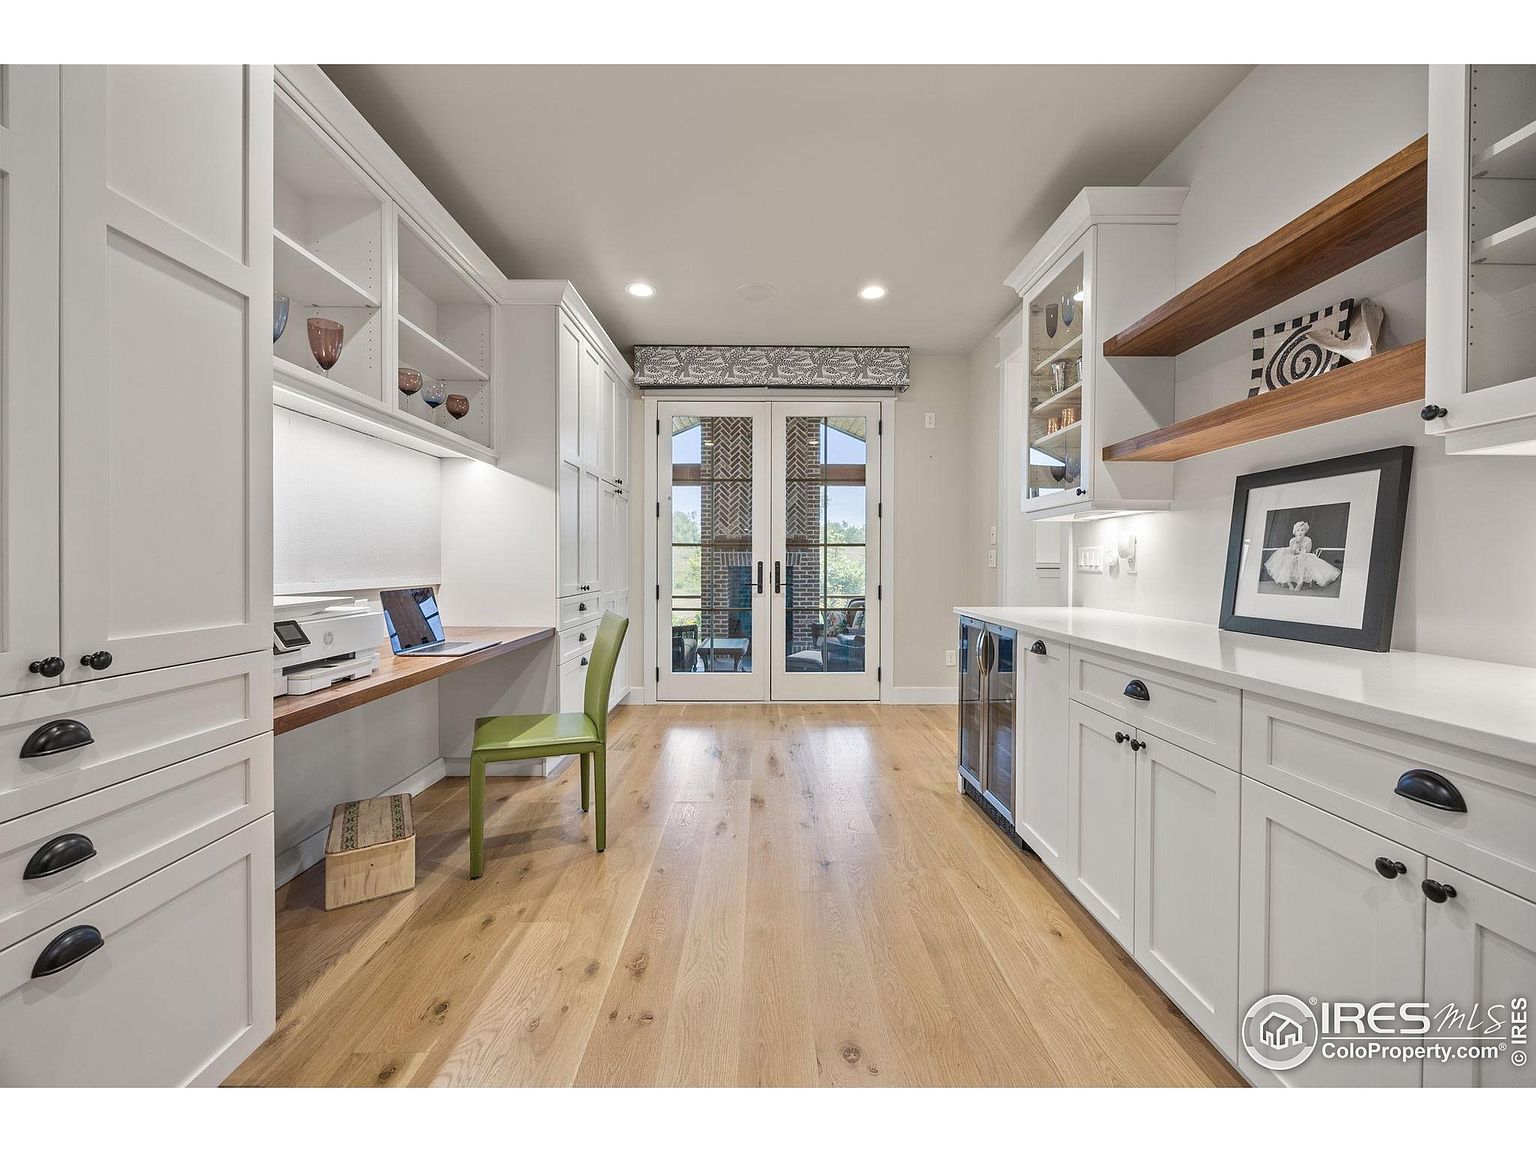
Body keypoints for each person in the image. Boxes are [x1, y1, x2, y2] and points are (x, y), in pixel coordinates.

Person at [1264, 520, 1341, 591]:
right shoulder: (1292, 540)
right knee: (1289, 560)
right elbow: (1292, 551)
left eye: (1302, 530)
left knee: (1301, 558)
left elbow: (1307, 551)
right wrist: (1297, 544)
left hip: (1303, 556)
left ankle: (1300, 581)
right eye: (1298, 530)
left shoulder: (1308, 540)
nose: (1300, 532)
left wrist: (1302, 547)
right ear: (1295, 532)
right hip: (1293, 555)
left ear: (1305, 531)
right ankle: (1288, 582)